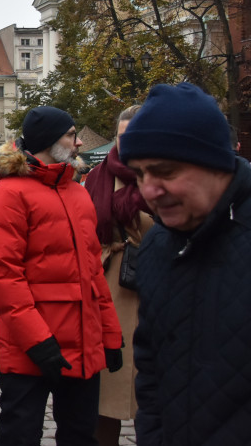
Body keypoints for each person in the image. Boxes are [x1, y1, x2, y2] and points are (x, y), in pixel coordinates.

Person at [117, 83, 251, 445]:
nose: (149, 190)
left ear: (215, 162)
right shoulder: (158, 242)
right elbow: (152, 369)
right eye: (140, 174)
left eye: (166, 171)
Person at [0, 107, 123, 445]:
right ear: (48, 140)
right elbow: (4, 277)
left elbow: (93, 273)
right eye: (71, 135)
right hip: (31, 344)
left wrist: (110, 335)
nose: (78, 142)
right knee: (21, 433)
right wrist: (37, 340)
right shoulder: (9, 193)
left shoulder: (77, 192)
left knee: (80, 433)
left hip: (83, 340)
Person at [82, 105, 149, 446]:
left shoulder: (164, 173)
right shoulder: (98, 176)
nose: (127, 143)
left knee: (154, 388)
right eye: (122, 137)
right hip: (110, 285)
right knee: (108, 385)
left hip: (158, 285)